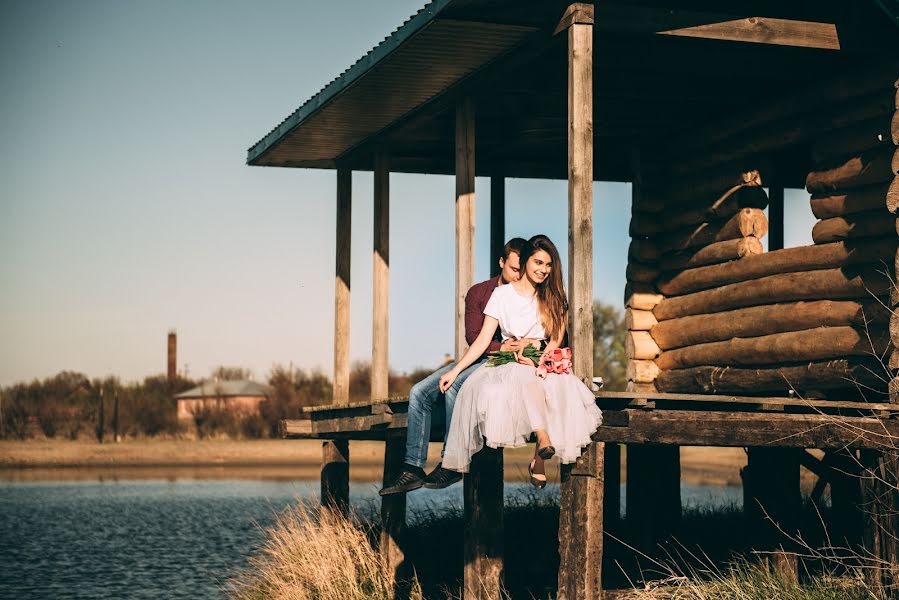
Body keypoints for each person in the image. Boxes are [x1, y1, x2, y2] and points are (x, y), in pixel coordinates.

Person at [439, 234, 602, 487]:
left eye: (548, 265)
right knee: (526, 379)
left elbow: (557, 339)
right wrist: (456, 371)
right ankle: (543, 437)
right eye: (538, 263)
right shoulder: (502, 295)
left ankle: (538, 458)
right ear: (525, 261)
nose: (544, 270)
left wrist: (541, 357)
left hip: (541, 359)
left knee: (561, 391)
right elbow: (482, 340)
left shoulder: (554, 295)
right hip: (509, 362)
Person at [379, 237, 528, 495]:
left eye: (522, 271)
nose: (518, 276)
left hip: (498, 363)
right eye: (514, 269)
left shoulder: (523, 296)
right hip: (479, 354)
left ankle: (450, 461)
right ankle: (413, 467)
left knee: (456, 385)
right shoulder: (480, 293)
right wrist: (500, 347)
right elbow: (474, 336)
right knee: (418, 392)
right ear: (502, 262)